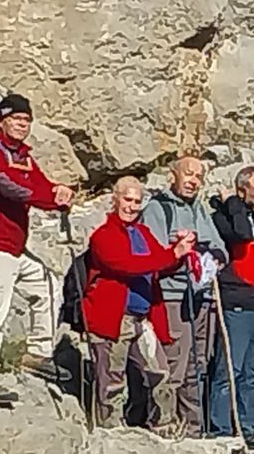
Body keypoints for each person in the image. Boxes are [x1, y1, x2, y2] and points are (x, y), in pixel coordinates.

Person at [0, 92, 74, 403]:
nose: (22, 125)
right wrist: (52, 199)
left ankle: (37, 354)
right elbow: (11, 187)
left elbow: (40, 185)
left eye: (26, 120)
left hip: (12, 247)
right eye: (16, 119)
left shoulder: (23, 156)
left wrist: (60, 192)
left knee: (48, 285)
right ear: (2, 120)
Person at [82, 176, 193, 428]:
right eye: (127, 199)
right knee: (112, 379)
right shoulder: (103, 236)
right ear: (115, 199)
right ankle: (111, 431)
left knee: (160, 373)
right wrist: (171, 255)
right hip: (113, 318)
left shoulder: (143, 232)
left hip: (143, 318)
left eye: (137, 201)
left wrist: (179, 251)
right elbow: (126, 265)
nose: (131, 206)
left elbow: (160, 264)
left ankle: (164, 425)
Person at [142, 155, 225, 437]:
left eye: (199, 177)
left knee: (197, 363)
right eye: (188, 174)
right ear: (173, 175)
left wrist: (212, 257)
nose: (193, 181)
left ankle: (193, 427)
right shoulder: (157, 208)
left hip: (200, 296)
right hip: (172, 296)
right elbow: (153, 252)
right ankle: (165, 424)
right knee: (175, 363)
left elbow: (218, 245)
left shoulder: (199, 209)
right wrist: (180, 250)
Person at [207, 165, 254, 449]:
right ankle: (222, 427)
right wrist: (232, 204)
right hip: (237, 302)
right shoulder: (225, 217)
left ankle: (249, 423)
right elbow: (240, 236)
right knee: (230, 369)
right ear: (242, 190)